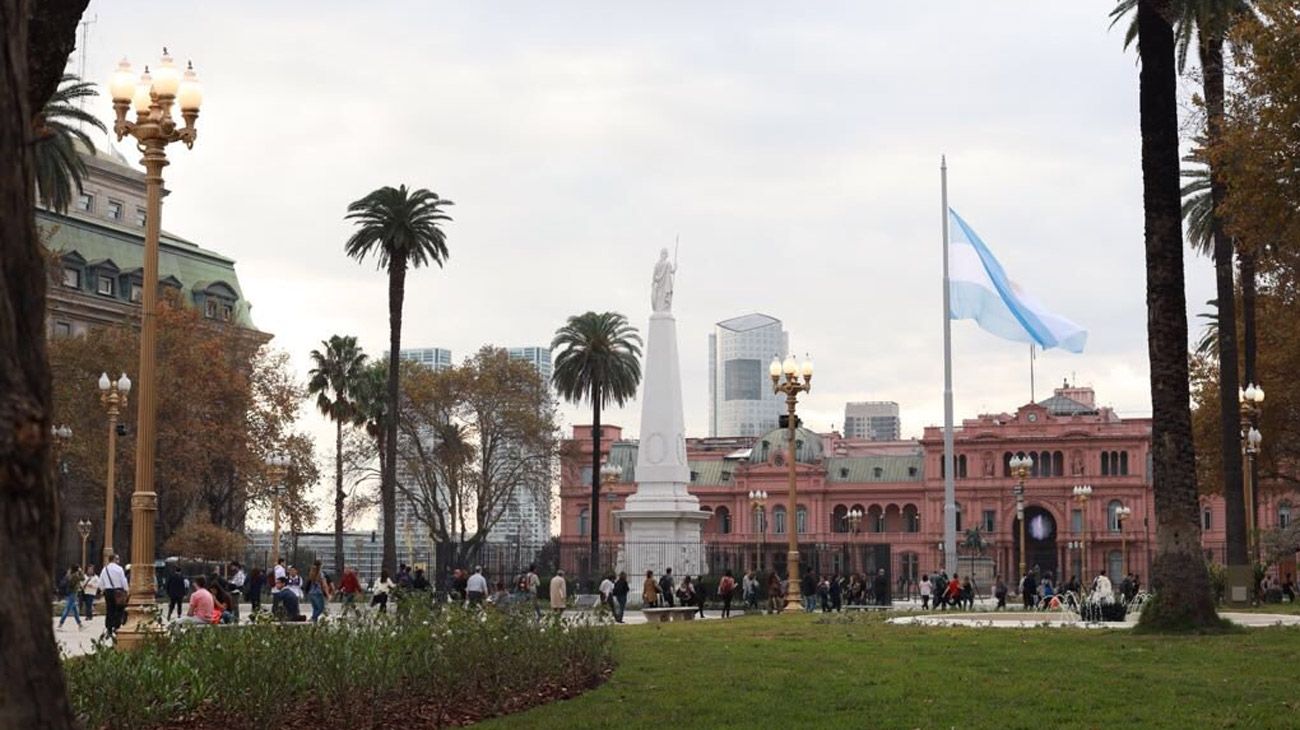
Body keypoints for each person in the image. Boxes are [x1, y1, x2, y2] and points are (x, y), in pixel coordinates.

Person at [99, 554, 129, 638]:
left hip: (108, 591)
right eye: (117, 559)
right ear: (114, 559)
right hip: (118, 591)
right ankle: (117, 626)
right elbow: (123, 580)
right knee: (119, 609)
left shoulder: (105, 569)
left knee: (109, 609)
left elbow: (101, 582)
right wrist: (126, 590)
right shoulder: (119, 569)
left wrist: (103, 589)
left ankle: (109, 628)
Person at [58, 565, 84, 630]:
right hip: (73, 594)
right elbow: (83, 578)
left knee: (75, 610)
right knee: (67, 609)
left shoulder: (69, 575)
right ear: (77, 569)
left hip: (71, 593)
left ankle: (80, 625)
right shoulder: (75, 576)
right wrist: (81, 571)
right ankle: (60, 624)